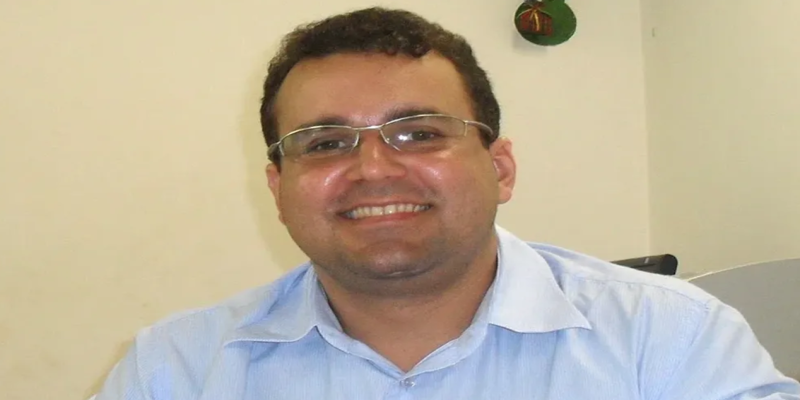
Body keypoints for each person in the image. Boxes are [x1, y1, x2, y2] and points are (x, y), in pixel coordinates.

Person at [93, 7, 800, 400]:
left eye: (420, 133)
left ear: (500, 167)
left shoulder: (667, 341)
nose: (374, 169)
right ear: (279, 190)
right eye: (326, 143)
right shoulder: (176, 370)